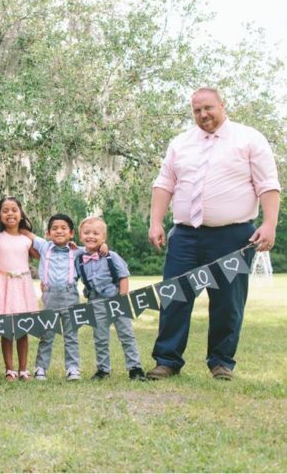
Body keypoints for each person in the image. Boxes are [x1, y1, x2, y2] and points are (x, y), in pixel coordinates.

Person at [148, 87, 281, 380]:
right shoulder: (181, 142)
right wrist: (155, 222)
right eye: (197, 110)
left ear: (222, 104)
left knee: (228, 302)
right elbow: (164, 183)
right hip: (185, 236)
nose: (203, 115)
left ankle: (221, 362)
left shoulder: (249, 138)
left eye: (208, 108)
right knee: (174, 298)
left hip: (233, 236)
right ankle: (167, 361)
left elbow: (268, 184)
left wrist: (269, 223)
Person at [76, 217, 145, 381]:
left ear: (103, 238)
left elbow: (123, 276)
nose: (91, 236)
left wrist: (123, 298)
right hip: (95, 302)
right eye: (86, 233)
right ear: (80, 236)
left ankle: (135, 368)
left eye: (96, 233)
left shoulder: (111, 256)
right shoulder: (79, 257)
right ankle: (103, 370)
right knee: (100, 337)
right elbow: (69, 248)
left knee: (126, 335)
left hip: (116, 299)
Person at [31, 214, 84, 381]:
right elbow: (26, 232)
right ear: (47, 233)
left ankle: (73, 368)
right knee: (47, 334)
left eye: (63, 228)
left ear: (71, 233)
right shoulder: (44, 247)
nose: (59, 231)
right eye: (54, 228)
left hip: (70, 295)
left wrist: (103, 245)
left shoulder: (77, 251)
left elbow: (94, 247)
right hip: (49, 296)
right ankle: (40, 368)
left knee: (71, 335)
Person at [0, 197, 38, 381]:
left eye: (14, 210)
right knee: (6, 329)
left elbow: (43, 253)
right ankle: (9, 369)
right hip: (4, 283)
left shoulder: (26, 239)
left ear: (21, 214)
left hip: (23, 285)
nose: (10, 213)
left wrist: (31, 235)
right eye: (5, 210)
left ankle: (23, 368)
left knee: (22, 328)